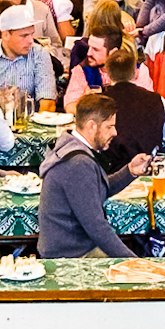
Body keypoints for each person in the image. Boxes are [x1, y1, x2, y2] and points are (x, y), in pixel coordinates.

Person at [38, 91, 132, 258]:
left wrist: (130, 171)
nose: (115, 132)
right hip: (72, 256)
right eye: (109, 126)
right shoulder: (79, 164)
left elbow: (96, 189)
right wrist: (134, 262)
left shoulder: (69, 146)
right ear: (91, 126)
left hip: (70, 249)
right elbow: (97, 227)